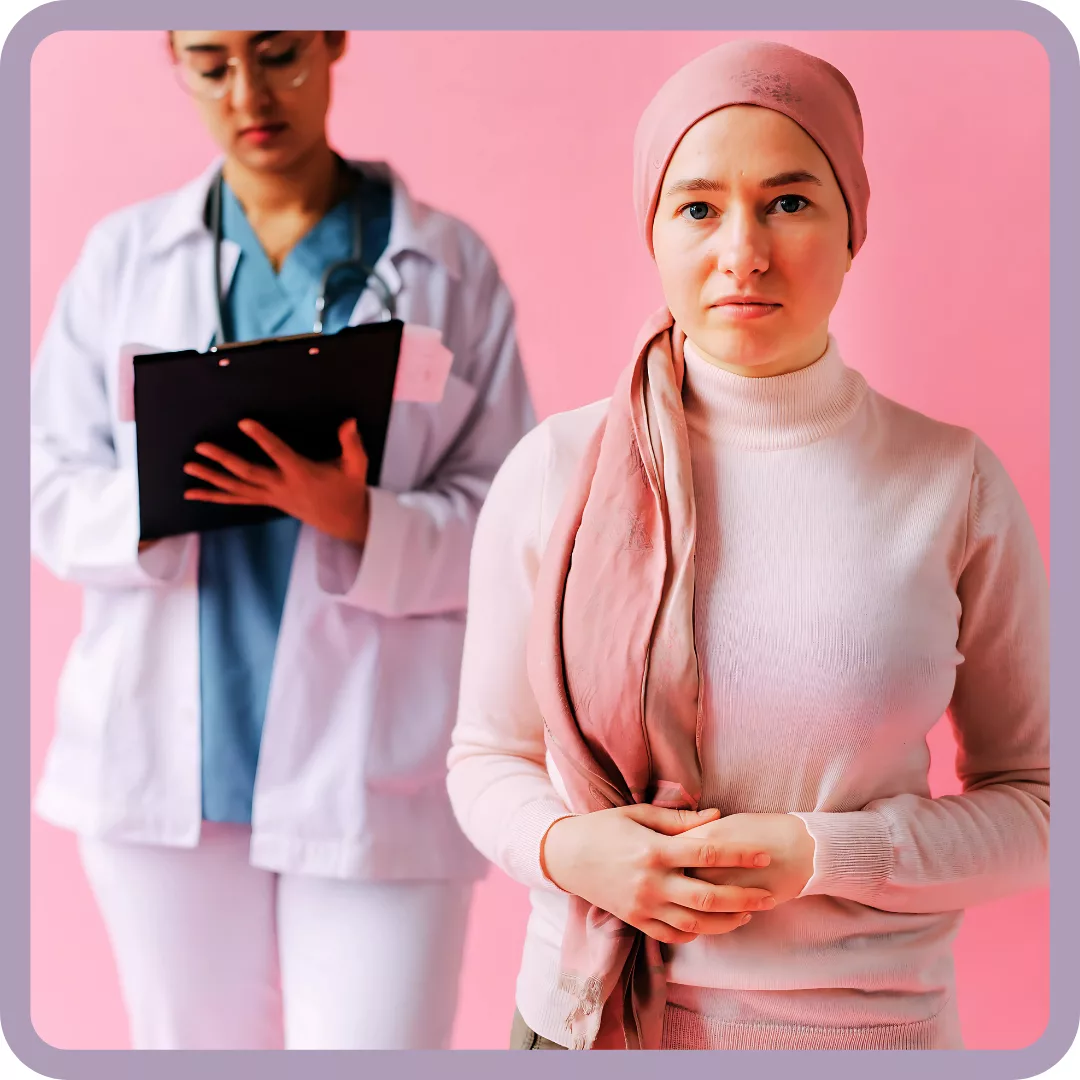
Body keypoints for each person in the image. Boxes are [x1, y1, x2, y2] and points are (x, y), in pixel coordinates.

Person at [446, 39, 1048, 1051]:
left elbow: (1041, 809)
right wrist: (566, 847)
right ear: (654, 229)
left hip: (873, 1038)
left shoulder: (955, 483)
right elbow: (484, 756)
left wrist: (824, 854)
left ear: (855, 224)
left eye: (789, 201)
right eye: (698, 208)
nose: (743, 253)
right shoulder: (557, 469)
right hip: (585, 1023)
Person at [31, 29, 534, 1050]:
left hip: (372, 764)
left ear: (334, 40)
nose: (249, 94)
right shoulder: (124, 258)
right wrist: (162, 494)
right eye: (211, 65)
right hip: (163, 764)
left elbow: (513, 515)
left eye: (280, 55)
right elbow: (42, 484)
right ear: (172, 58)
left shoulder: (443, 265)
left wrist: (363, 520)